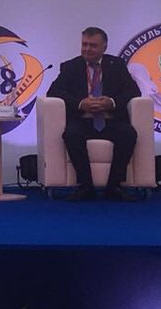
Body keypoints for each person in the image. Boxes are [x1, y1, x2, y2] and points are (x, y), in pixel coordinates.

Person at [45, 26, 141, 202]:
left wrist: (111, 102)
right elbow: (53, 92)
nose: (87, 49)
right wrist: (81, 103)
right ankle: (85, 186)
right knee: (71, 134)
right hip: (84, 120)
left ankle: (114, 186)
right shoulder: (71, 67)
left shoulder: (117, 65)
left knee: (128, 134)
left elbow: (133, 91)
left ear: (104, 47)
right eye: (84, 44)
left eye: (93, 45)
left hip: (109, 119)